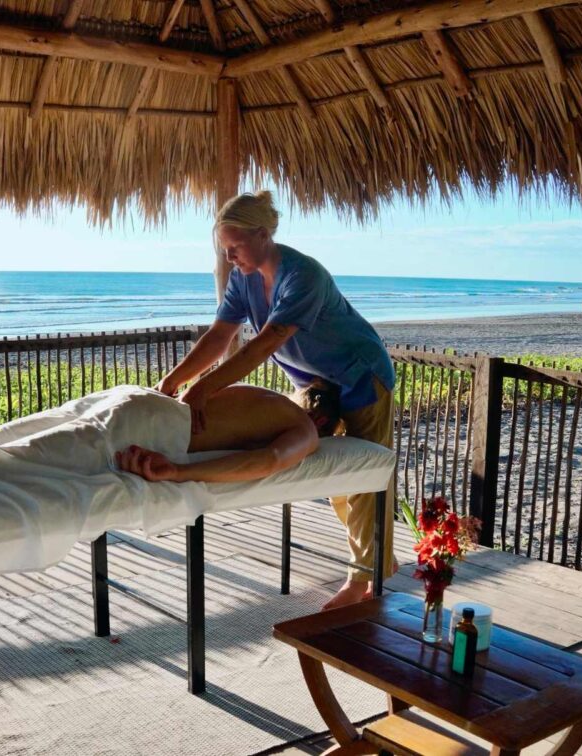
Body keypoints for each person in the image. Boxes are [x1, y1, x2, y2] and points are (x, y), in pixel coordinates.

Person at [153, 191, 396, 610]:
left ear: (263, 235)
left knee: (362, 475)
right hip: (315, 384)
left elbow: (261, 347)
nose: (230, 258)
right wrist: (173, 382)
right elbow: (219, 337)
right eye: (224, 250)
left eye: (235, 248)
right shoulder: (243, 279)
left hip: (361, 376)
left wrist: (205, 389)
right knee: (332, 476)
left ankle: (363, 580)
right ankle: (376, 563)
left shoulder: (304, 275)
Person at [117, 380, 341, 483]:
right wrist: (178, 472)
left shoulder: (264, 395)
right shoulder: (307, 429)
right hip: (152, 430)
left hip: (135, 400)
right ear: (321, 420)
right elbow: (270, 460)